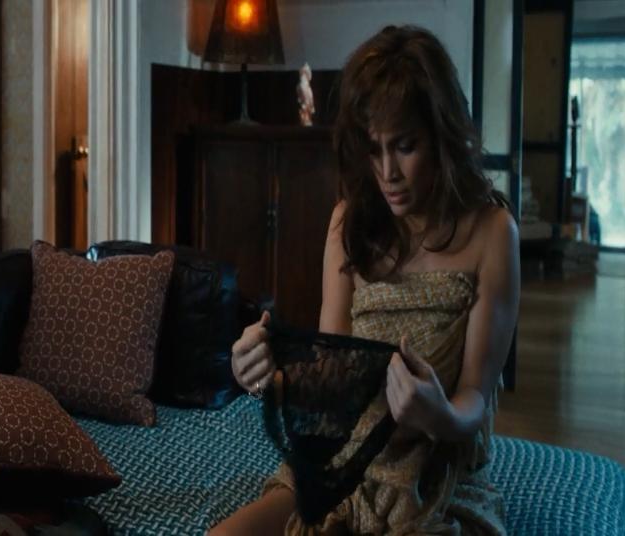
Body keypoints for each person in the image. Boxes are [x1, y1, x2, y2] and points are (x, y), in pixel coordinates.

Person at [211, 25, 519, 536]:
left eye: (405, 146)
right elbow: (330, 382)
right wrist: (262, 374)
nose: (387, 171)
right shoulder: (348, 223)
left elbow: (474, 398)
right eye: (373, 149)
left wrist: (437, 415)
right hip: (339, 464)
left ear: (442, 136)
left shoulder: (492, 232)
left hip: (433, 480)